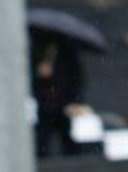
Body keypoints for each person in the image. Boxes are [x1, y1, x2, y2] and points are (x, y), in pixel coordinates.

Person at [31, 30, 86, 158]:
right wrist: (39, 73)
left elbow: (76, 79)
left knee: (68, 138)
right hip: (45, 103)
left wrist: (74, 101)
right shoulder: (38, 52)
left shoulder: (68, 54)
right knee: (42, 140)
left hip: (64, 103)